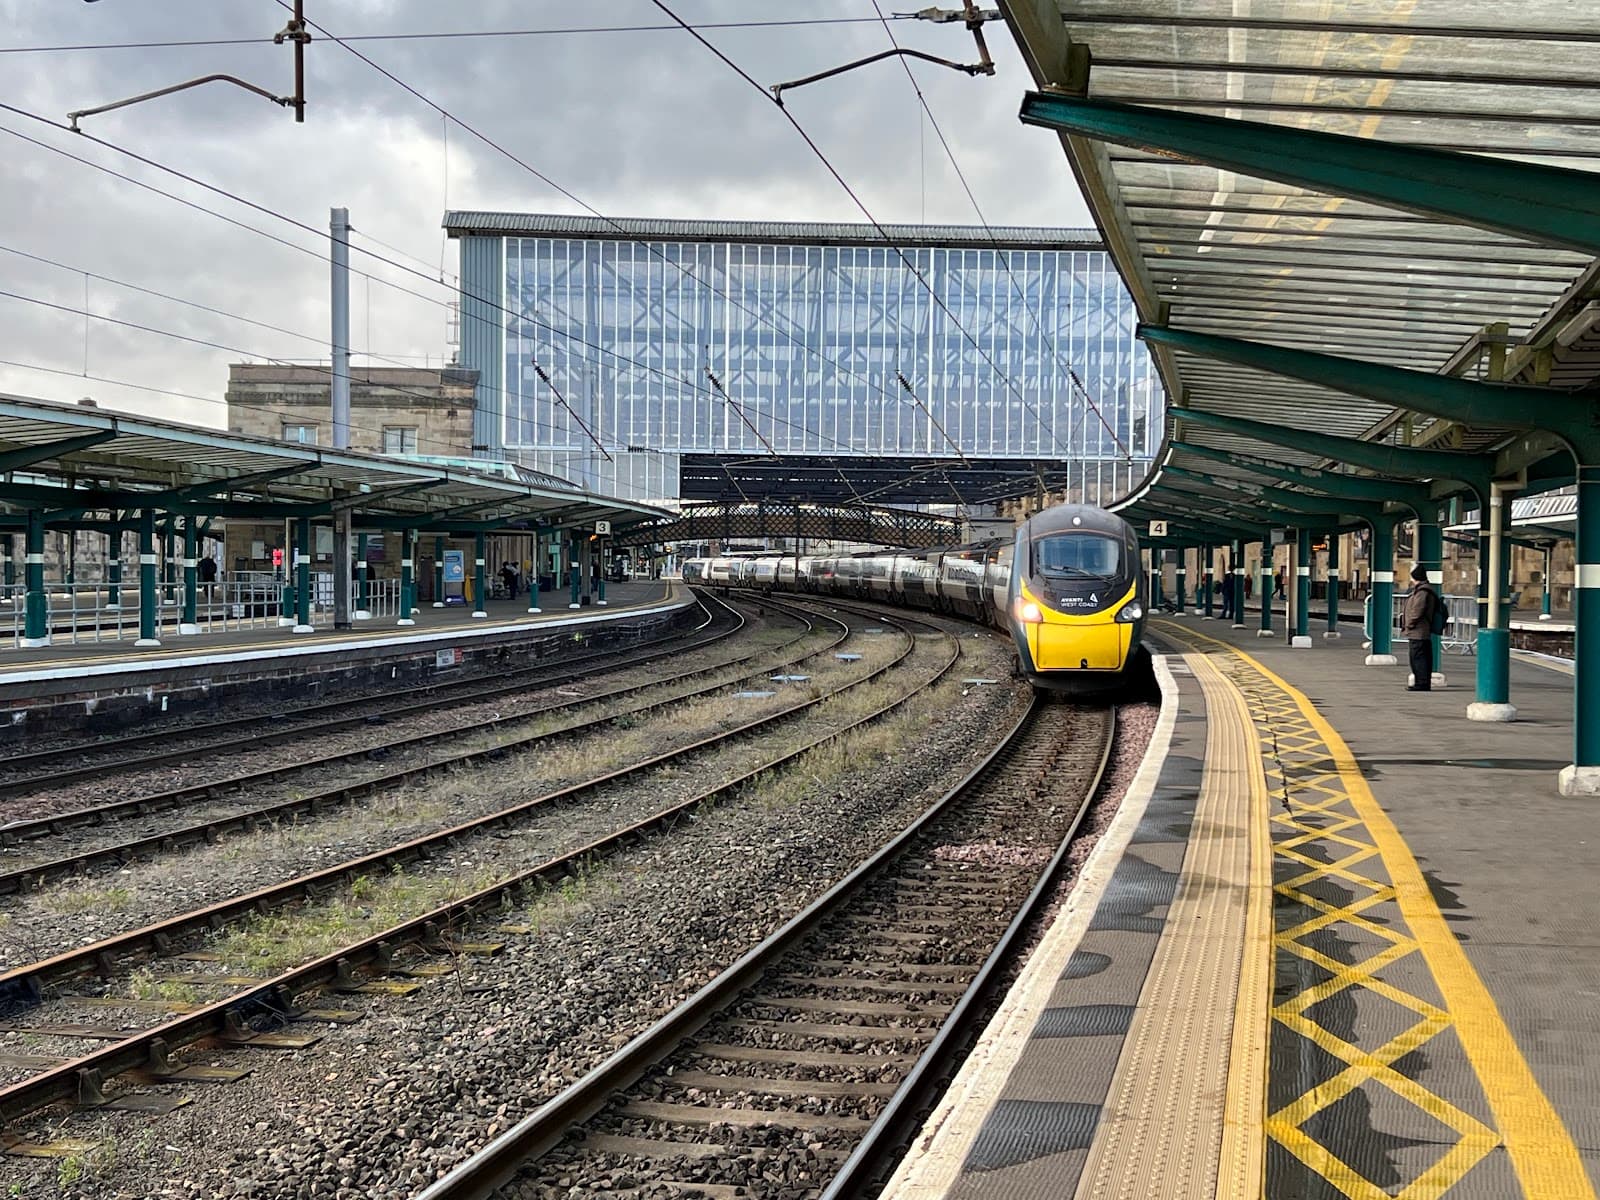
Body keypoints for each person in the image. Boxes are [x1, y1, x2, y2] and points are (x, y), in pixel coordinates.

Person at [1401, 564, 1440, 692]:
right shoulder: (1422, 590)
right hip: (1420, 630)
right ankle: (1421, 682)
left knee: (1418, 658)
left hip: (1418, 631)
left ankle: (1422, 683)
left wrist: (1410, 624)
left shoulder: (1422, 592)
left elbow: (1418, 610)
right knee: (1421, 657)